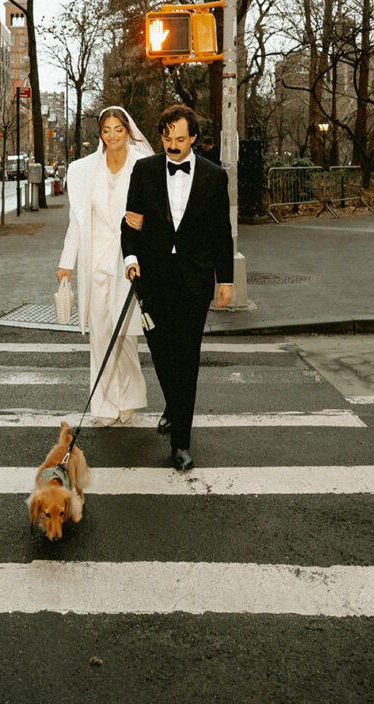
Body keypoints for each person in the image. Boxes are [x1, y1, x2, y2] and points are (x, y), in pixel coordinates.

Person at [121, 104, 234, 471]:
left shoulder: (215, 177)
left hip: (194, 280)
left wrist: (226, 279)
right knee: (161, 351)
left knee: (186, 359)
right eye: (167, 137)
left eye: (180, 139)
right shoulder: (144, 170)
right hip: (152, 279)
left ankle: (181, 443)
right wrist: (130, 259)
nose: (172, 144)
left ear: (195, 139)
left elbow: (221, 234)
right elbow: (130, 223)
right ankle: (174, 403)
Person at [56, 107, 153, 425]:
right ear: (100, 133)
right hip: (96, 263)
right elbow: (77, 221)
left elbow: (154, 213)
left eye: (118, 129)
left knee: (124, 334)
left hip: (128, 261)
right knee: (100, 334)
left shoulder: (142, 166)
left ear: (128, 131)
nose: (112, 135)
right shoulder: (85, 171)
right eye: (106, 130)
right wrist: (66, 262)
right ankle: (105, 405)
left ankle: (131, 396)